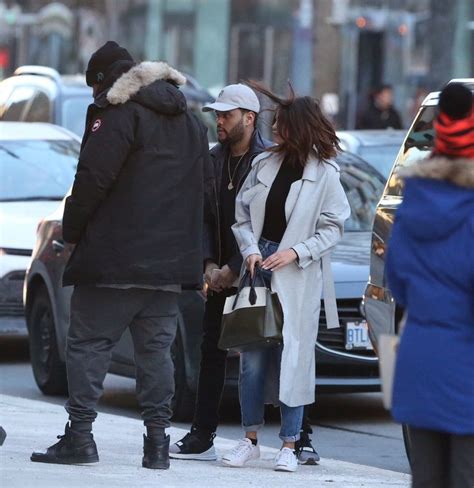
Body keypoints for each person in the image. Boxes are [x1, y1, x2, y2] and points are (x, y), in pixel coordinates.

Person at [30, 41, 208, 470]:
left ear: (103, 81)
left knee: (89, 344)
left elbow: (92, 179)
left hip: (114, 258)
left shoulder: (117, 114)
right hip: (168, 265)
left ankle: (80, 437)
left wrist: (70, 233)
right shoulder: (192, 123)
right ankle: (158, 444)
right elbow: (204, 191)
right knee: (156, 353)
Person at [223, 82, 350, 472]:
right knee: (252, 358)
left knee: (294, 357)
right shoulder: (265, 164)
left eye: (281, 124)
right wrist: (250, 251)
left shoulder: (325, 174)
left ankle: (290, 444)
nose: (274, 129)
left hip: (297, 272)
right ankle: (249, 440)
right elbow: (241, 215)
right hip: (259, 267)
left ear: (299, 126)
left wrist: (297, 251)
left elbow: (334, 227)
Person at [169, 84, 273, 460]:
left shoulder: (268, 161)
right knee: (211, 350)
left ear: (250, 117)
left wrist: (233, 267)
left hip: (257, 271)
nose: (220, 121)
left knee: (268, 352)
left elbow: (269, 224)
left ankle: (298, 437)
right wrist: (209, 265)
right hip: (219, 273)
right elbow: (203, 217)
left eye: (227, 115)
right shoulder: (213, 159)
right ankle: (202, 434)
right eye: (217, 114)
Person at [386, 82, 474, 488]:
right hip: (466, 366)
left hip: (419, 361)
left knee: (426, 479)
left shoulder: (413, 202)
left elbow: (397, 282)